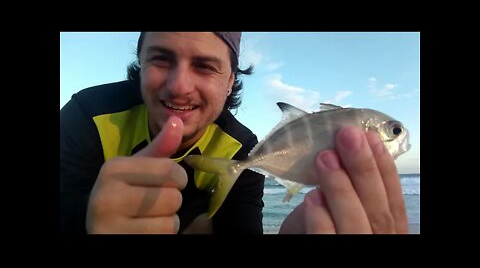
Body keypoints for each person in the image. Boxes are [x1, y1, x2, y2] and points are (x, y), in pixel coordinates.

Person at [60, 32, 409, 234]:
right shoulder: (85, 116)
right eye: (161, 59)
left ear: (230, 81)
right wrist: (86, 221)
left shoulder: (241, 147)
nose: (179, 86)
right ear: (142, 62)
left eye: (204, 66)